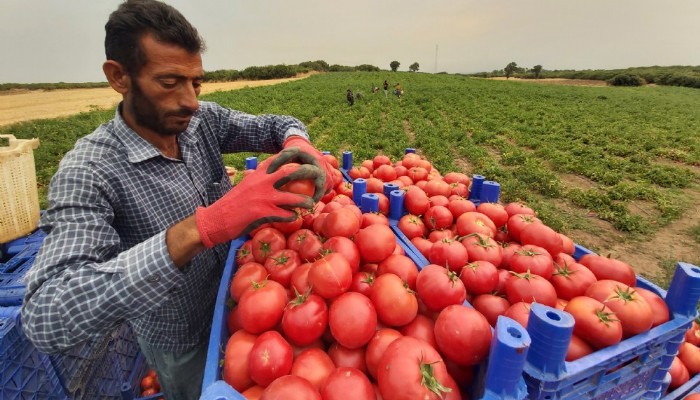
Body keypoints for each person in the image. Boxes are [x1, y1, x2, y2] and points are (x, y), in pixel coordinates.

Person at [20, 1, 333, 400]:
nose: (190, 101)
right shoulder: (88, 170)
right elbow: (47, 315)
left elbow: (275, 124)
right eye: (170, 83)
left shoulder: (200, 123)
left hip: (239, 303)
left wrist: (297, 141)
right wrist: (202, 228)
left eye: (196, 83)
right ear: (119, 76)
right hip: (179, 337)